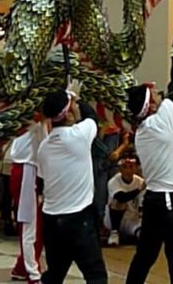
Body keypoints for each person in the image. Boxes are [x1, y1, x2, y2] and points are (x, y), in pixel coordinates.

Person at [125, 35, 173, 284]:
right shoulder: (162, 118)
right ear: (151, 105)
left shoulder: (142, 133)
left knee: (146, 254)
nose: (157, 93)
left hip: (153, 198)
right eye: (152, 93)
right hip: (171, 197)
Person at [36, 84, 108, 284]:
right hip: (79, 219)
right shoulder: (79, 136)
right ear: (67, 114)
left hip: (51, 219)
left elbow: (41, 180)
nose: (77, 107)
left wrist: (70, 98)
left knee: (55, 274)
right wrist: (76, 96)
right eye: (73, 105)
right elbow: (92, 116)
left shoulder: (44, 147)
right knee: (96, 276)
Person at [9, 118, 47, 283]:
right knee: (30, 225)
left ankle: (23, 266)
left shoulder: (31, 120)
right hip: (27, 169)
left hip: (27, 169)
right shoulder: (34, 120)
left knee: (32, 224)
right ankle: (33, 273)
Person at [105, 157, 144, 246]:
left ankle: (132, 234)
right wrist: (138, 190)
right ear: (120, 169)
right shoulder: (113, 182)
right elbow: (121, 197)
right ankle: (114, 233)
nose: (128, 170)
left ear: (136, 168)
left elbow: (142, 205)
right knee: (119, 203)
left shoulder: (140, 182)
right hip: (114, 220)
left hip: (133, 219)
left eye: (131, 167)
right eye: (125, 167)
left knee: (145, 236)